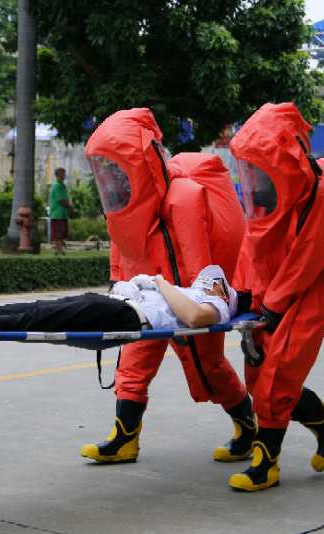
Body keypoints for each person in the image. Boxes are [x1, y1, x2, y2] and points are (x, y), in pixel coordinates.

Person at [228, 102, 324, 492]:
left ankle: (266, 464)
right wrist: (244, 291)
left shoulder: (322, 194)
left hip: (310, 296)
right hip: (272, 296)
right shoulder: (268, 193)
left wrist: (274, 304)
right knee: (258, 376)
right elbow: (253, 244)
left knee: (277, 377)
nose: (254, 175)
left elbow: (310, 256)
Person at [83, 109, 252, 466]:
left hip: (185, 297)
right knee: (132, 361)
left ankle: (247, 426)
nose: (112, 177)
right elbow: (122, 249)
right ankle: (125, 438)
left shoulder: (183, 197)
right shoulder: (124, 206)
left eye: (119, 166)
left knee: (208, 365)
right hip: (149, 295)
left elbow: (198, 263)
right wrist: (118, 286)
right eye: (106, 168)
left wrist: (189, 307)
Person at [0, 265, 237, 333]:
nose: (205, 284)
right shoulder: (191, 293)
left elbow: (194, 318)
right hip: (119, 304)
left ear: (223, 291)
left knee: (40, 318)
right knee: (38, 307)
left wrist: (160, 282)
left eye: (212, 283)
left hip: (129, 315)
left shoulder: (217, 306)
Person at [49, 167, 73, 255]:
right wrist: (70, 207)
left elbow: (65, 199)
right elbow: (61, 200)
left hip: (63, 214)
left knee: (62, 233)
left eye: (64, 173)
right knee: (58, 233)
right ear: (57, 175)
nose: (64, 175)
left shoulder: (62, 185)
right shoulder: (57, 186)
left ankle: (58, 249)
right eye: (62, 174)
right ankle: (59, 250)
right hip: (57, 214)